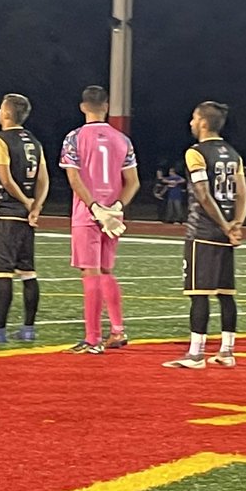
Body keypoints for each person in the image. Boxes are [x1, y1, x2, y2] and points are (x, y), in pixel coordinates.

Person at [167, 101, 246, 368]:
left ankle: (196, 353)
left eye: (193, 118)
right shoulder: (234, 153)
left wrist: (225, 226)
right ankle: (227, 350)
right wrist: (236, 223)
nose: (190, 123)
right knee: (226, 293)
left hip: (202, 230)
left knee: (198, 293)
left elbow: (203, 194)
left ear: (203, 122)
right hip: (225, 232)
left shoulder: (196, 153)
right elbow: (242, 194)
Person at [60, 85, 140, 355]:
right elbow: (133, 182)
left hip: (88, 212)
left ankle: (92, 339)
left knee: (90, 272)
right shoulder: (122, 139)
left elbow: (74, 178)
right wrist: (116, 206)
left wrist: (94, 207)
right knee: (106, 271)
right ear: (105, 106)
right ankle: (117, 329)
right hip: (113, 214)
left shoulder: (74, 137)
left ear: (83, 107)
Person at [0, 93, 49, 343]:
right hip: (25, 217)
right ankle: (27, 329)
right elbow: (44, 178)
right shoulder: (34, 141)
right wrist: (36, 206)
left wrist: (25, 202)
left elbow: (4, 178)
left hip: (5, 213)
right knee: (28, 272)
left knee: (3, 274)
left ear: (6, 113)